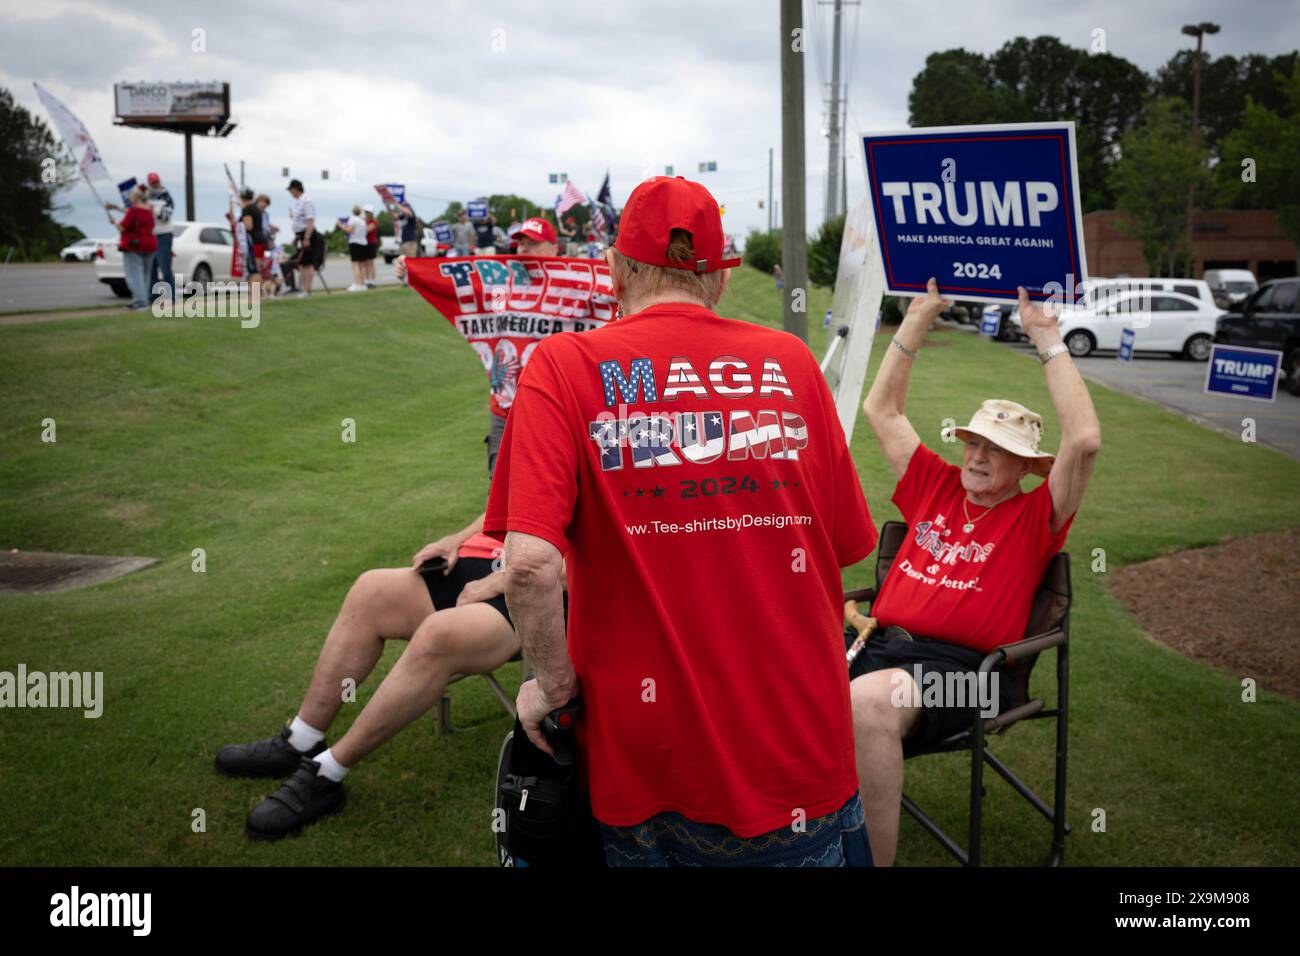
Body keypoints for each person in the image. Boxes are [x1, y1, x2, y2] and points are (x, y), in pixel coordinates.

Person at [485, 176, 879, 867]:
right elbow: (845, 546)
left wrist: (552, 686)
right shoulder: (792, 362)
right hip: (797, 751)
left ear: (614, 268)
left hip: (647, 759)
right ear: (719, 279)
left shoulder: (564, 367)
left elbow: (526, 564)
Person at [852, 279, 1101, 866]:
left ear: (1027, 467)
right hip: (874, 646)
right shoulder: (935, 485)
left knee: (864, 705)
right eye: (974, 442)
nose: (979, 456)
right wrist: (916, 318)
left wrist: (1045, 334)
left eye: (999, 449)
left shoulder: (1037, 515)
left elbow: (1085, 440)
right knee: (766, 671)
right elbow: (880, 410)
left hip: (973, 677)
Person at [213, 520, 530, 839]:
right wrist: (456, 540)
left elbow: (576, 563)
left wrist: (500, 581)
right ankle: (302, 739)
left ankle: (327, 773)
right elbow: (504, 503)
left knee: (439, 635)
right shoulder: (527, 467)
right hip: (487, 561)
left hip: (539, 591)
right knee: (370, 590)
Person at [396, 215, 560, 479]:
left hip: (552, 413)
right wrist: (412, 271)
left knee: (549, 494)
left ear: (554, 248)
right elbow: (454, 287)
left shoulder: (576, 288)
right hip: (504, 410)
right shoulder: (499, 285)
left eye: (534, 243)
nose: (525, 249)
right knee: (501, 494)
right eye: (521, 244)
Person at [112, 185, 157, 311]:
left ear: (136, 197)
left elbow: (122, 227)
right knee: (145, 274)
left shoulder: (133, 211)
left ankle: (140, 302)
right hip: (150, 244)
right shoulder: (150, 210)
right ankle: (143, 300)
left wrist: (115, 222)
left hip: (134, 245)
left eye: (131, 194)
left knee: (133, 275)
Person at [287, 179, 323, 298]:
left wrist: (306, 238)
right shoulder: (298, 202)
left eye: (291, 190)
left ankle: (307, 290)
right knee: (302, 264)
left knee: (307, 264)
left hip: (307, 235)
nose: (290, 193)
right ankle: (304, 289)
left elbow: (310, 220)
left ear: (295, 189)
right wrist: (296, 237)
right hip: (300, 236)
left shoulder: (306, 201)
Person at [145, 172, 176, 301]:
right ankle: (153, 296)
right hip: (151, 235)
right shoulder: (146, 196)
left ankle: (171, 296)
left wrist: (153, 209)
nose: (154, 185)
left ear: (159, 181)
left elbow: (165, 216)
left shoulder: (166, 196)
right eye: (152, 183)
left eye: (155, 182)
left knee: (165, 267)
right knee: (151, 267)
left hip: (164, 235)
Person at [239, 188, 265, 299]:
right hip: (260, 240)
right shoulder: (256, 208)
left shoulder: (247, 209)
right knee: (256, 268)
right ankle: (257, 294)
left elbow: (248, 226)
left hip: (252, 241)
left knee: (252, 268)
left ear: (242, 198)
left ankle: (253, 296)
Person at [343, 204, 368, 292]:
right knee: (361, 265)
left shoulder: (353, 219)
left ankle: (357, 284)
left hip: (355, 243)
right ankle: (363, 284)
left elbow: (350, 230)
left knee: (355, 265)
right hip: (363, 243)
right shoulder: (363, 221)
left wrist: (340, 225)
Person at [362, 204, 379, 287]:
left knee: (370, 263)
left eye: (366, 212)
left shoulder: (373, 222)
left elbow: (368, 230)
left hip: (371, 243)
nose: (365, 214)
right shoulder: (364, 221)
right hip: (365, 243)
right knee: (366, 263)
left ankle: (372, 280)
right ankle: (367, 280)